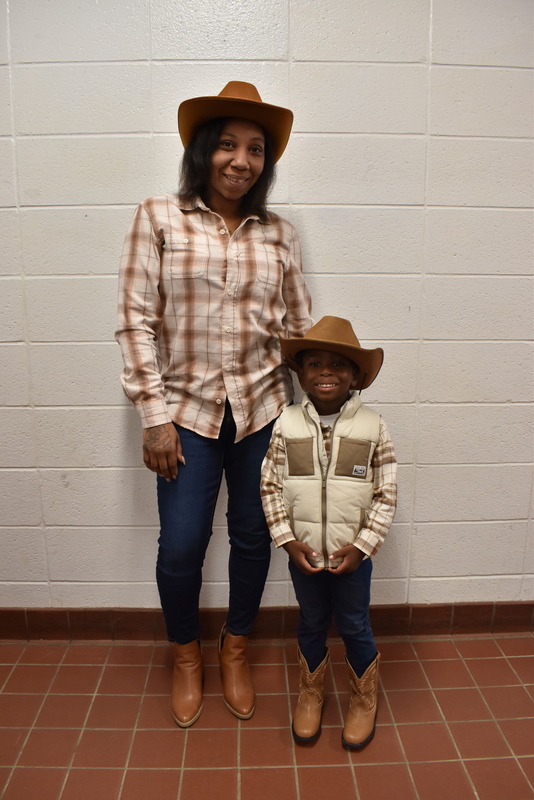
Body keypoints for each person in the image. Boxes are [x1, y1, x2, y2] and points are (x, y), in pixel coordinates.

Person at [116, 81, 312, 728]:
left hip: (261, 412)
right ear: (203, 150)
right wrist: (153, 417)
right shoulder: (159, 217)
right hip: (187, 417)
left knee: (254, 537)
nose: (241, 160)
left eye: (255, 150)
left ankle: (236, 647)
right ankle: (185, 655)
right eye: (227, 144)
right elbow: (135, 322)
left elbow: (296, 328)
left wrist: (317, 408)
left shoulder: (280, 233)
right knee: (181, 545)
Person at [260, 316, 397, 750]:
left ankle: (363, 697)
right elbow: (269, 486)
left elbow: (386, 493)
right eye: (315, 364)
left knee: (355, 624)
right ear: (300, 373)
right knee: (312, 620)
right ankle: (311, 691)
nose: (325, 373)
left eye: (338, 365)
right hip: (305, 555)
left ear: (355, 375)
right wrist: (285, 538)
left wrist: (362, 546)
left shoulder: (374, 427)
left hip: (351, 556)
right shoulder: (285, 425)